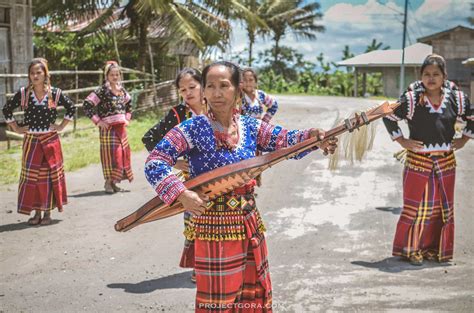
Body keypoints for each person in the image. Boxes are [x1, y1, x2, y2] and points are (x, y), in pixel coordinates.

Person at [144, 61, 337, 311]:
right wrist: (181, 193)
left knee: (252, 297)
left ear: (237, 88)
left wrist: (313, 137)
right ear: (203, 91)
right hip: (213, 229)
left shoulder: (251, 127)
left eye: (224, 85)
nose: (216, 93)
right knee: (217, 303)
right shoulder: (191, 129)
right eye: (210, 86)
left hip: (249, 223)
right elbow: (155, 162)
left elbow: (286, 141)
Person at [383, 54, 472, 265]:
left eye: (436, 74)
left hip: (446, 162)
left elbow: (472, 117)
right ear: (420, 76)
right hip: (418, 161)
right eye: (427, 74)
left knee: (441, 208)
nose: (431, 78)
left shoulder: (456, 99)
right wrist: (402, 140)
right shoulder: (412, 99)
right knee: (417, 208)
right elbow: (388, 116)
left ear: (444, 77)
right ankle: (412, 249)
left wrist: (464, 139)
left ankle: (433, 249)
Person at [142, 67, 205, 282]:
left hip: (219, 173)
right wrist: (177, 162)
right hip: (192, 179)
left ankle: (224, 263)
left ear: (202, 85)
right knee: (195, 218)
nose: (188, 93)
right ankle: (199, 267)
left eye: (192, 87)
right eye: (182, 89)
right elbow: (150, 139)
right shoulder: (178, 114)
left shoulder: (217, 108)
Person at [2, 58, 76, 225]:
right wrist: (17, 128)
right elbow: (6, 109)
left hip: (50, 140)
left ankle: (47, 213)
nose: (35, 75)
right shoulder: (24, 94)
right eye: (32, 73)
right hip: (32, 141)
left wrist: (61, 126)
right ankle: (36, 213)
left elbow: (71, 107)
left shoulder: (54, 94)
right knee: (33, 178)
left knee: (49, 177)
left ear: (45, 74)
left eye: (38, 72)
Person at [83, 61, 133, 194]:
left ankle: (114, 183)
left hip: (121, 129)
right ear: (107, 76)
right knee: (112, 156)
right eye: (112, 74)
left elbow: (129, 104)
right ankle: (108, 183)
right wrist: (98, 121)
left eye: (117, 74)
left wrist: (127, 119)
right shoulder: (101, 91)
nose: (115, 77)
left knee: (122, 155)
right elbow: (87, 104)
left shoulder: (122, 91)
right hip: (108, 130)